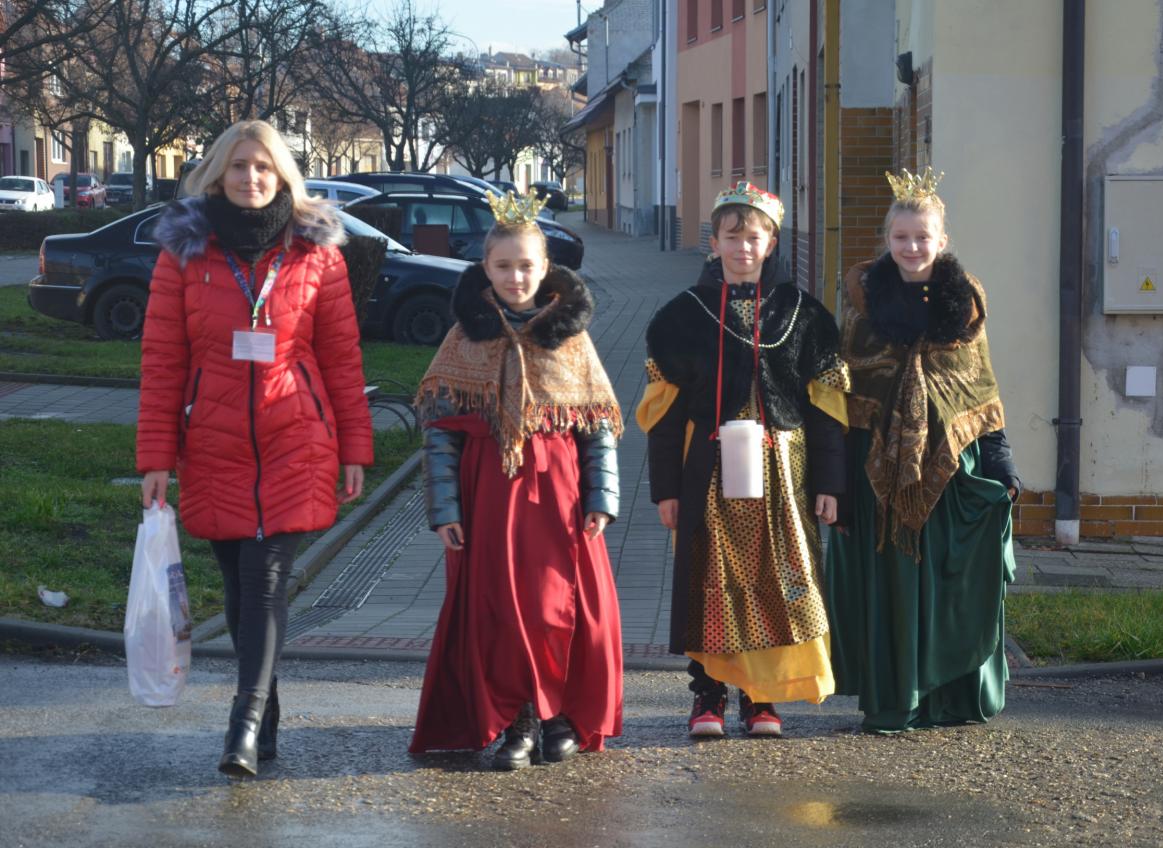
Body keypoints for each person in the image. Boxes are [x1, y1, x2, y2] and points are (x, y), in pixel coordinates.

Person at [137, 120, 373, 777]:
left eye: (264, 167)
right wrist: (155, 458)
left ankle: (241, 726)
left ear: (282, 174)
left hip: (296, 440)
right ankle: (264, 714)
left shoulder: (317, 252)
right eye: (239, 166)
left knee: (265, 582)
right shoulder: (185, 252)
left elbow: (342, 359)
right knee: (239, 593)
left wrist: (355, 447)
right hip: (213, 445)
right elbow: (162, 360)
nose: (251, 178)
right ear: (218, 173)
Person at [408, 190, 624, 770]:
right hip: (488, 495)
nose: (515, 277)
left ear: (546, 268)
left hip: (560, 496)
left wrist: (602, 498)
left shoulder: (570, 338)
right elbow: (440, 433)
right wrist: (445, 510)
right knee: (500, 610)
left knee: (557, 605)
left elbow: (597, 426)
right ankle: (518, 719)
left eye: (526, 265)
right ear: (485, 267)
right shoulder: (463, 337)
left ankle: (559, 715)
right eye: (502, 266)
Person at [638, 182, 849, 738]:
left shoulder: (804, 315)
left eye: (753, 238)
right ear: (714, 242)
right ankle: (708, 693)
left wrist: (830, 482)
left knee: (779, 579)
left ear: (771, 242)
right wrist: (666, 490)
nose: (742, 248)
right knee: (711, 578)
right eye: (731, 238)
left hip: (784, 474)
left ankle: (762, 698)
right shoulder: (682, 317)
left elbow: (827, 409)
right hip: (707, 472)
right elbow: (662, 415)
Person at [825, 167, 1020, 733]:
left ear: (942, 240)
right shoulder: (861, 302)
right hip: (875, 470)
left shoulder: (965, 304)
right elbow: (842, 390)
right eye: (901, 237)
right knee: (889, 588)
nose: (912, 247)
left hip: (950, 470)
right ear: (887, 239)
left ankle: (950, 697)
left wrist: (1002, 463)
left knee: (946, 582)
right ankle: (895, 699)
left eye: (922, 237)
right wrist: (833, 480)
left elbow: (981, 390)